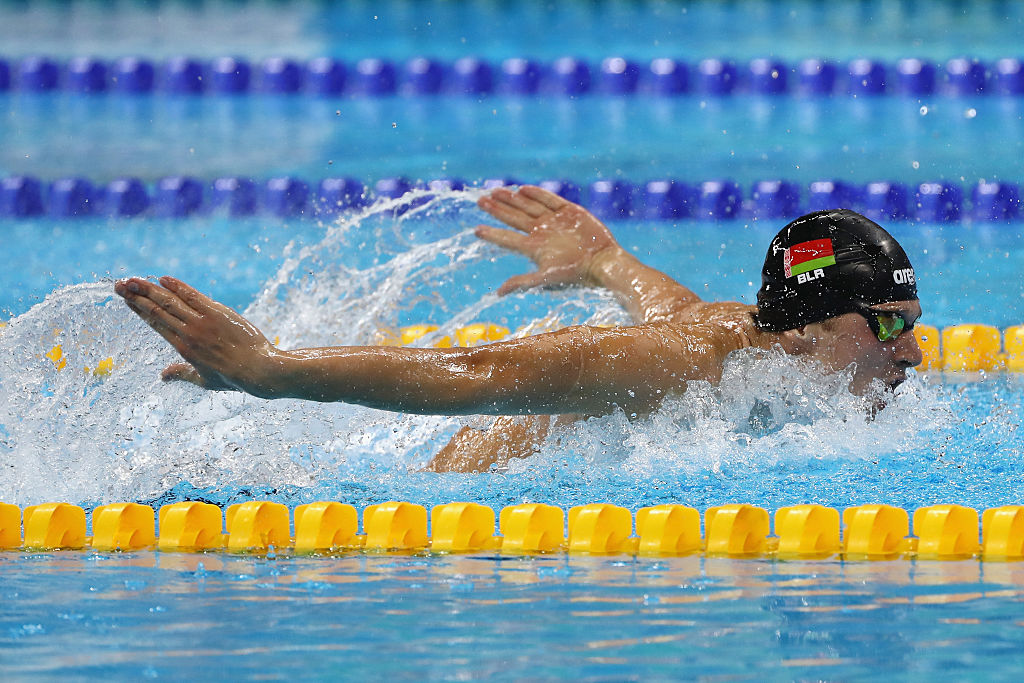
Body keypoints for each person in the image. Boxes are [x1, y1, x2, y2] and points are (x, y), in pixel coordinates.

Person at [114, 185, 923, 472]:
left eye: (913, 324)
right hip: (447, 503)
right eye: (887, 322)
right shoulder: (685, 362)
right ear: (808, 328)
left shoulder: (752, 346)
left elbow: (678, 308)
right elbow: (475, 373)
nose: (912, 351)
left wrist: (608, 260)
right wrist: (274, 368)